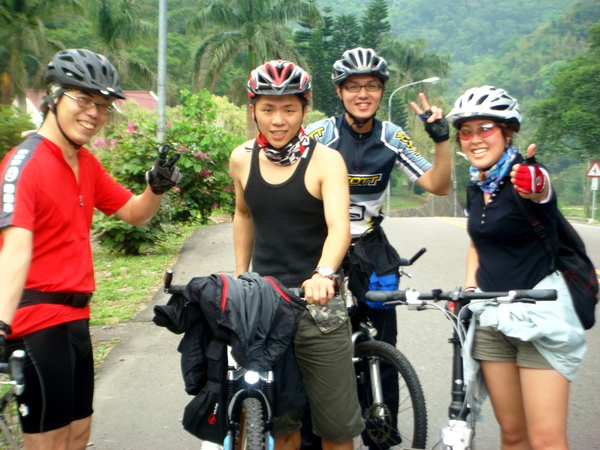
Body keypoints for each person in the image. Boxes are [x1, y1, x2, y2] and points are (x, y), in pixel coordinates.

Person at [0, 49, 182, 450]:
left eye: (102, 105)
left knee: (79, 434)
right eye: (83, 99)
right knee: (49, 441)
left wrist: (155, 186)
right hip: (36, 323)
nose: (94, 113)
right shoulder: (24, 164)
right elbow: (13, 249)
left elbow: (134, 213)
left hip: (77, 317)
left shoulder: (86, 163)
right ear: (53, 96)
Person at [303, 47, 451, 448]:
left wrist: (441, 141)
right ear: (340, 92)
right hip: (322, 241)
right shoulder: (318, 135)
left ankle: (380, 430)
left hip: (370, 242)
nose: (362, 94)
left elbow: (438, 185)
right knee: (314, 337)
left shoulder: (392, 137)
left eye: (371, 86)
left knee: (383, 341)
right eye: (353, 87)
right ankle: (313, 429)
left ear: (381, 91)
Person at [229, 60, 364, 450]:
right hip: (264, 306)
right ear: (253, 108)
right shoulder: (242, 158)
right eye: (268, 108)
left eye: (289, 108)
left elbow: (339, 225)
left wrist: (323, 273)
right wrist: (241, 275)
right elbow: (242, 213)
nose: (277, 120)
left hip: (319, 306)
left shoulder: (326, 160)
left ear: (305, 110)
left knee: (336, 430)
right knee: (280, 425)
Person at [447, 85, 586, 449]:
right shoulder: (476, 188)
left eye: (485, 129)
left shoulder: (527, 174)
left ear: (508, 132)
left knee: (545, 441)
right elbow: (479, 244)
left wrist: (535, 182)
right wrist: (467, 293)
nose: (475, 139)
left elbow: (541, 190)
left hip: (539, 316)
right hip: (492, 319)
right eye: (466, 131)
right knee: (512, 434)